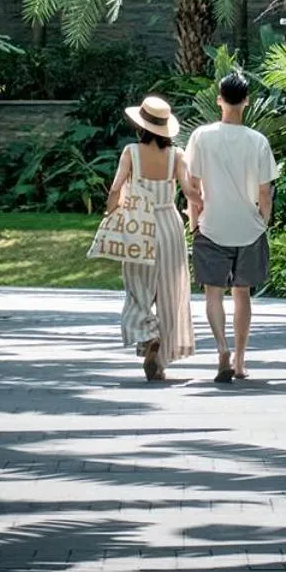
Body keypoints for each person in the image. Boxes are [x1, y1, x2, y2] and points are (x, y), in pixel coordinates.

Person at [185, 69, 279, 384]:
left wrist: (193, 221)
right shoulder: (258, 141)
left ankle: (221, 348)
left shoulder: (201, 136)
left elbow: (193, 187)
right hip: (248, 228)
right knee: (243, 294)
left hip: (211, 225)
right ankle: (239, 361)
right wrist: (262, 221)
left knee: (213, 293)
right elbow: (265, 193)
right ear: (247, 102)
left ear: (219, 100)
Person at [102, 94, 196, 381]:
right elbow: (191, 193)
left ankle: (148, 334)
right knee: (169, 291)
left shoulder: (131, 152)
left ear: (140, 126)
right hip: (169, 224)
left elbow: (116, 189)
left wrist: (110, 214)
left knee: (138, 287)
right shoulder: (176, 155)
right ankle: (161, 357)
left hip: (139, 225)